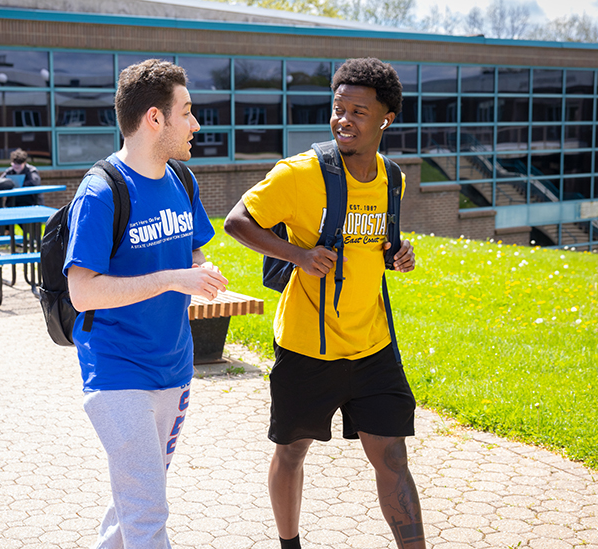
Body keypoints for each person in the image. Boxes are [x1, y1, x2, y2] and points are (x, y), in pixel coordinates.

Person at [224, 57, 424, 549]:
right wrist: (297, 253)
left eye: (359, 111)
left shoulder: (391, 178)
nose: (344, 119)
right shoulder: (299, 173)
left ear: (385, 119)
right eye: (339, 108)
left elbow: (377, 240)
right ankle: (289, 543)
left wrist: (397, 253)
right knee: (292, 452)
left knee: (392, 456)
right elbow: (236, 221)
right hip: (307, 348)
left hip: (373, 344)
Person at [65, 59, 228, 549]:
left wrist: (199, 273)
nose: (196, 124)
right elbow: (83, 290)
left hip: (174, 368)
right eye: (187, 112)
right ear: (155, 119)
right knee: (147, 509)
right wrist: (173, 278)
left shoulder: (181, 180)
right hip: (117, 372)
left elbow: (193, 247)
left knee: (134, 499)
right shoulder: (100, 191)